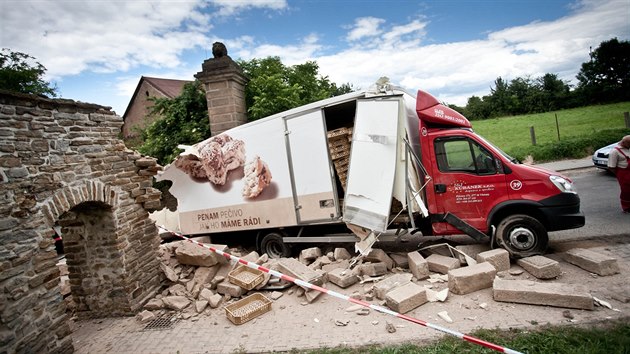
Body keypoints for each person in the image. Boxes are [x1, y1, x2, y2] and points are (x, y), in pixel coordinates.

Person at [607, 135, 630, 213]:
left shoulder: (628, 148)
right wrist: (618, 175)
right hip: (623, 173)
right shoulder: (615, 151)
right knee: (626, 190)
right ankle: (627, 207)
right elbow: (611, 166)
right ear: (624, 143)